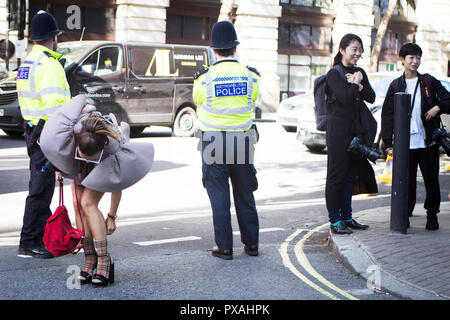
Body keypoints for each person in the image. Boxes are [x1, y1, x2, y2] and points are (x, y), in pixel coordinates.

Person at [39, 95, 154, 286]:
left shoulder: (112, 146)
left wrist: (112, 216)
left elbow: (118, 181)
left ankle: (103, 260)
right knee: (78, 207)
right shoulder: (75, 132)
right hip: (78, 166)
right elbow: (59, 146)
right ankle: (89, 259)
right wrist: (60, 165)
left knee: (87, 203)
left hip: (102, 167)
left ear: (103, 147)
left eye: (89, 156)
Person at [193, 21, 260, 260]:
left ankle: (224, 247)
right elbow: (253, 99)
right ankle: (251, 245)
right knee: (245, 193)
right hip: (242, 141)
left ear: (213, 50)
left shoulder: (204, 79)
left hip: (212, 142)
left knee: (219, 196)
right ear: (235, 47)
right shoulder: (251, 76)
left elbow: (198, 101)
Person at [16, 11, 70, 258]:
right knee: (41, 187)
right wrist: (61, 142)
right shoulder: (49, 64)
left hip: (33, 129)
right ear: (53, 37)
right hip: (46, 132)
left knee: (41, 184)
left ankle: (42, 237)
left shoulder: (28, 62)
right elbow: (56, 109)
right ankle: (30, 242)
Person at [381, 43, 450, 230]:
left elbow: (448, 100)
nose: (415, 61)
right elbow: (387, 115)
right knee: (406, 181)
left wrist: (438, 107)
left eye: (418, 58)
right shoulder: (396, 85)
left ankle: (432, 215)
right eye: (411, 58)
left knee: (431, 180)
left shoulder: (428, 81)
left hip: (427, 142)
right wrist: (388, 143)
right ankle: (405, 214)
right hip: (405, 144)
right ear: (402, 60)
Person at [325, 33, 378, 234]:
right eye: (354, 49)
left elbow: (371, 97)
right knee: (336, 176)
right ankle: (334, 219)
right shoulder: (334, 74)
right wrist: (355, 83)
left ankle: (347, 217)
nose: (358, 53)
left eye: (360, 49)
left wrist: (360, 82)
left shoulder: (360, 71)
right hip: (338, 131)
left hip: (356, 131)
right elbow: (345, 98)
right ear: (342, 50)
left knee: (350, 176)